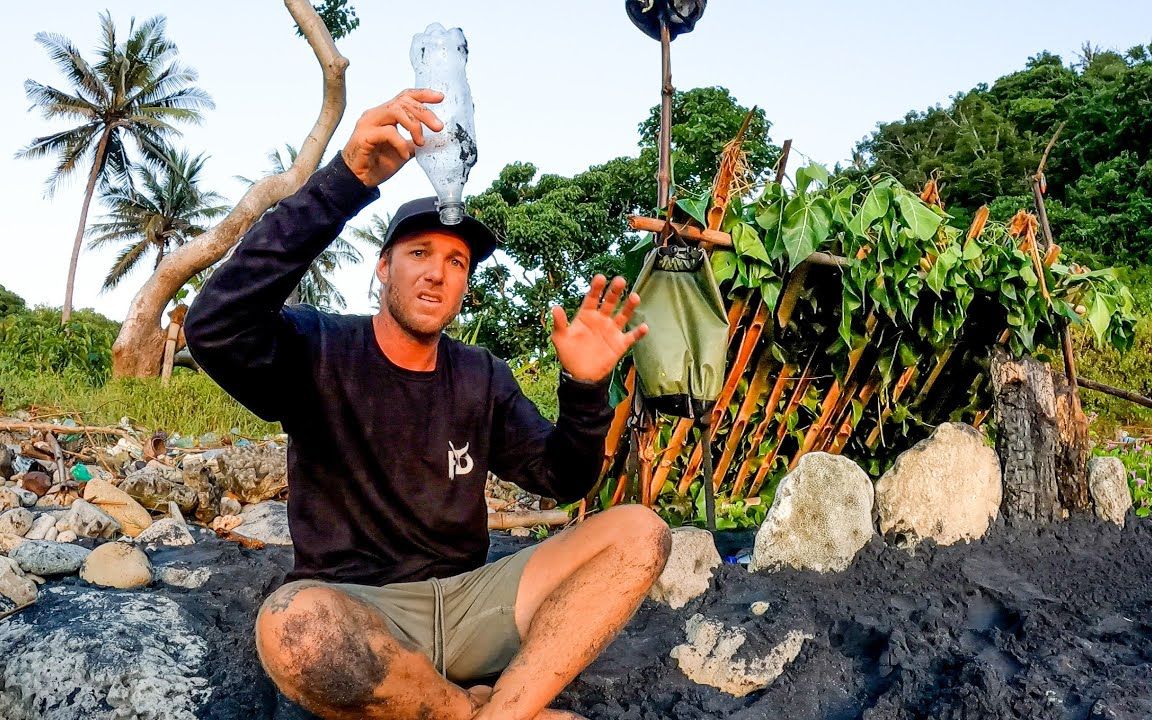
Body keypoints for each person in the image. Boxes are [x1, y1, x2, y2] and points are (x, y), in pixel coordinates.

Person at [184, 88, 672, 720]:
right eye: (419, 253)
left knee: (641, 530)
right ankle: (469, 711)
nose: (437, 273)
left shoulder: (481, 375)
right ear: (383, 267)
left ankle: (498, 708)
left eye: (456, 261)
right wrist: (346, 180)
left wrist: (583, 388)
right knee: (290, 625)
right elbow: (214, 328)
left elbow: (564, 479)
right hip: (360, 609)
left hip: (474, 601)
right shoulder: (318, 348)